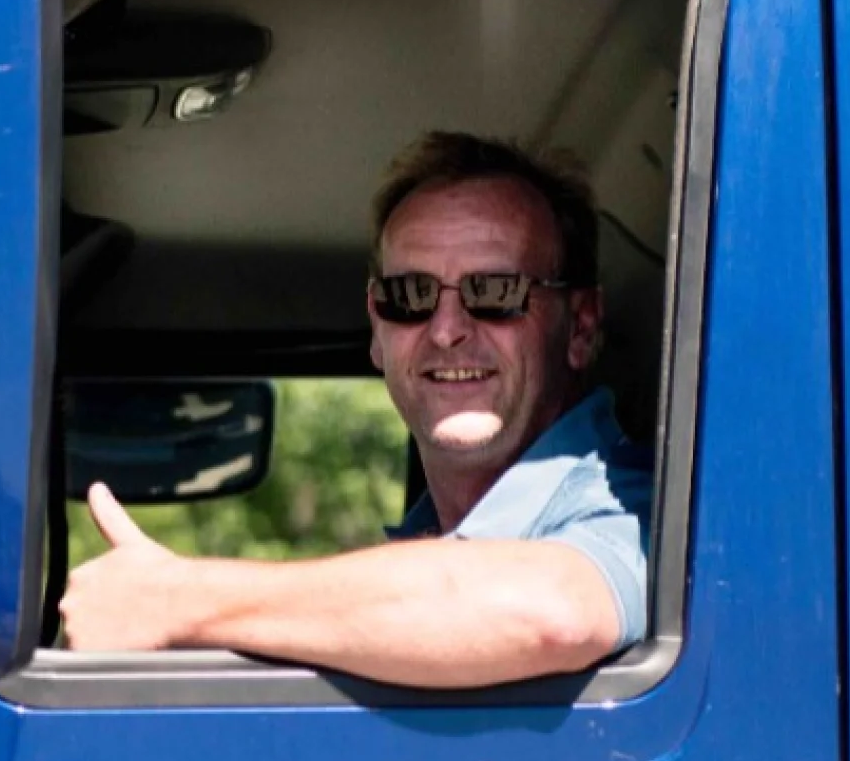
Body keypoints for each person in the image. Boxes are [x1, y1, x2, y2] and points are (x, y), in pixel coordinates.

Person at [58, 132, 654, 689]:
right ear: (376, 327)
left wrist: (178, 599)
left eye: (495, 292)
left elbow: (554, 612)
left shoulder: (637, 501)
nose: (446, 330)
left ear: (580, 327)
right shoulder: (426, 542)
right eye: (411, 296)